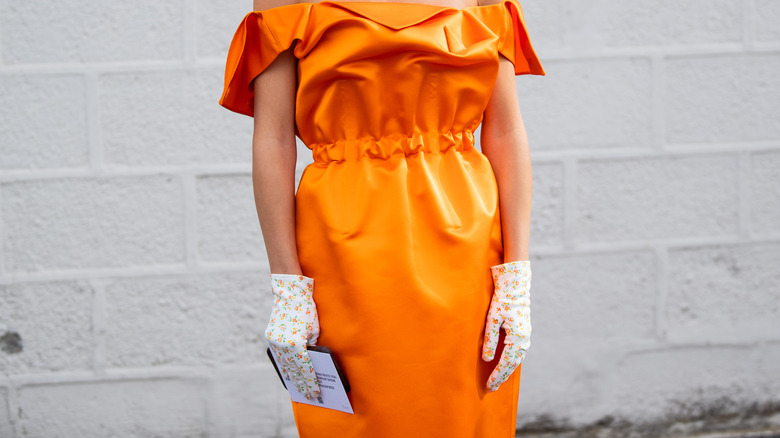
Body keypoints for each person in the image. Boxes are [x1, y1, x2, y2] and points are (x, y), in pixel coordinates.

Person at [219, 0, 545, 436]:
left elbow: (505, 129)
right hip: (343, 249)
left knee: (462, 416)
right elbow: (273, 138)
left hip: (467, 250)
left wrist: (516, 274)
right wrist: (288, 287)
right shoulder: (283, 4)